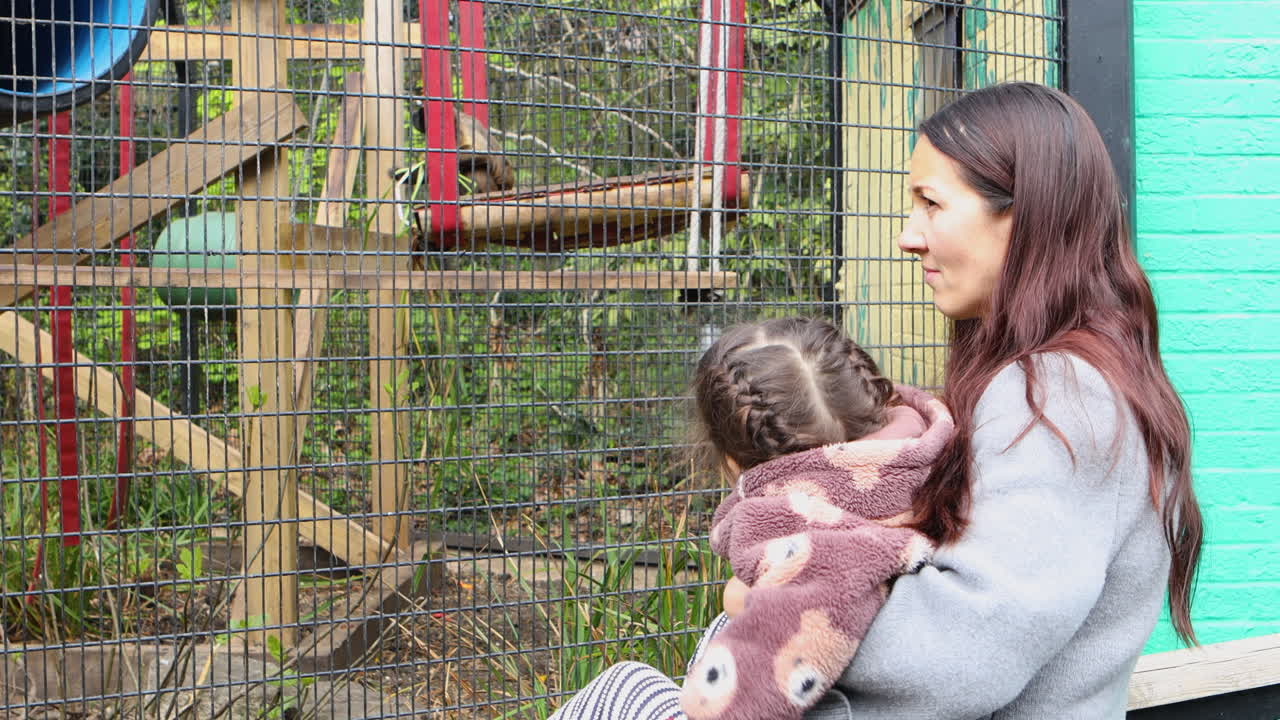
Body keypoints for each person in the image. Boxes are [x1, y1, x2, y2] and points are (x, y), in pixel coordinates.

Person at [556, 81, 1204, 720]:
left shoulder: (1059, 396)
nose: (908, 236)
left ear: (1025, 213)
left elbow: (964, 652)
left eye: (931, 203)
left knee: (624, 695)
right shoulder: (1069, 378)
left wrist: (771, 610)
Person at [551, 316, 939, 720]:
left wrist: (742, 599)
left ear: (734, 466)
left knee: (625, 687)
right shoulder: (931, 475)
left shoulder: (820, 555)